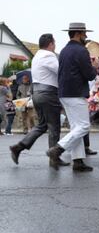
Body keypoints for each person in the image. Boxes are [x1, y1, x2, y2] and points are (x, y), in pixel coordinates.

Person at [9, 34, 70, 166]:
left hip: (37, 93)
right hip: (48, 93)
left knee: (42, 125)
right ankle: (54, 158)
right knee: (54, 127)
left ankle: (18, 147)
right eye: (54, 43)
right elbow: (61, 71)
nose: (55, 46)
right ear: (50, 44)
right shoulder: (49, 55)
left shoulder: (37, 56)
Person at [46, 23, 98, 172]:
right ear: (78, 33)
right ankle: (58, 149)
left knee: (76, 128)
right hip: (75, 93)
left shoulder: (64, 50)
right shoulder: (81, 51)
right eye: (84, 34)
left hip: (64, 93)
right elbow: (89, 75)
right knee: (83, 126)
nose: (86, 36)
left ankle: (78, 161)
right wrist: (94, 66)